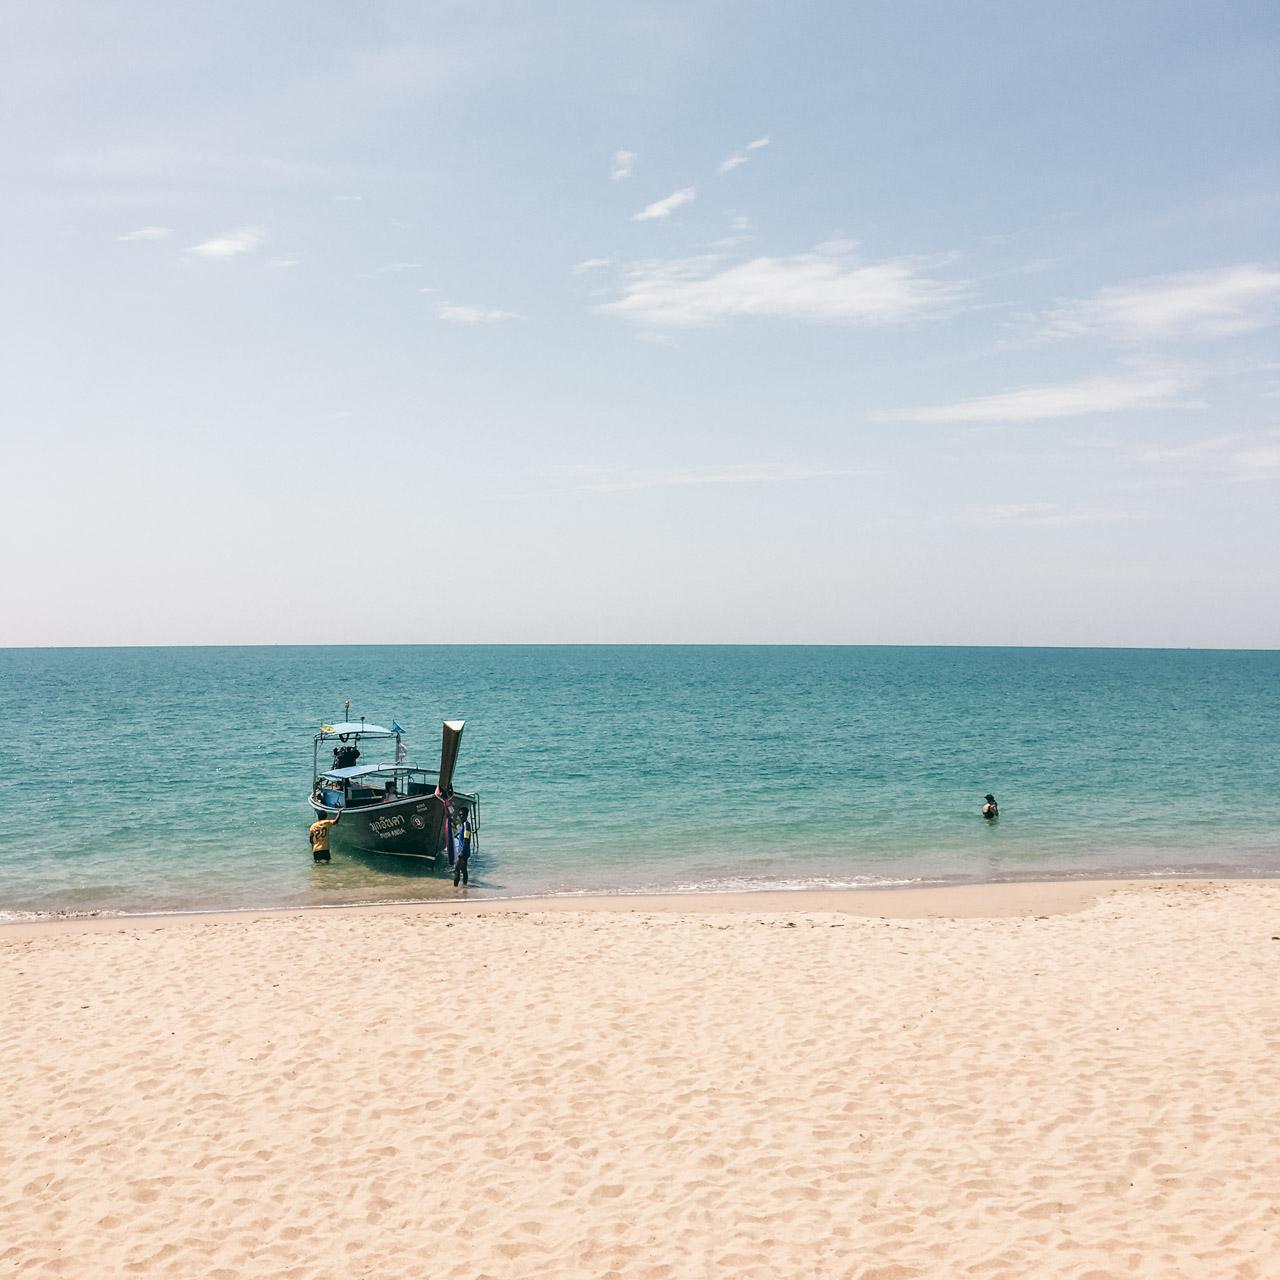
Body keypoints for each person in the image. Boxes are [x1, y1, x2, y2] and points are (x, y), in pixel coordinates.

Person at [453, 815, 471, 887]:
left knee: (457, 869)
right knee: (464, 870)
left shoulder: (466, 824)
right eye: (459, 815)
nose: (459, 816)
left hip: (463, 851)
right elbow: (462, 836)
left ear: (465, 815)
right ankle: (464, 886)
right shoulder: (463, 825)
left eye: (461, 815)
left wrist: (462, 852)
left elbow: (466, 838)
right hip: (465, 851)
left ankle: (455, 889)